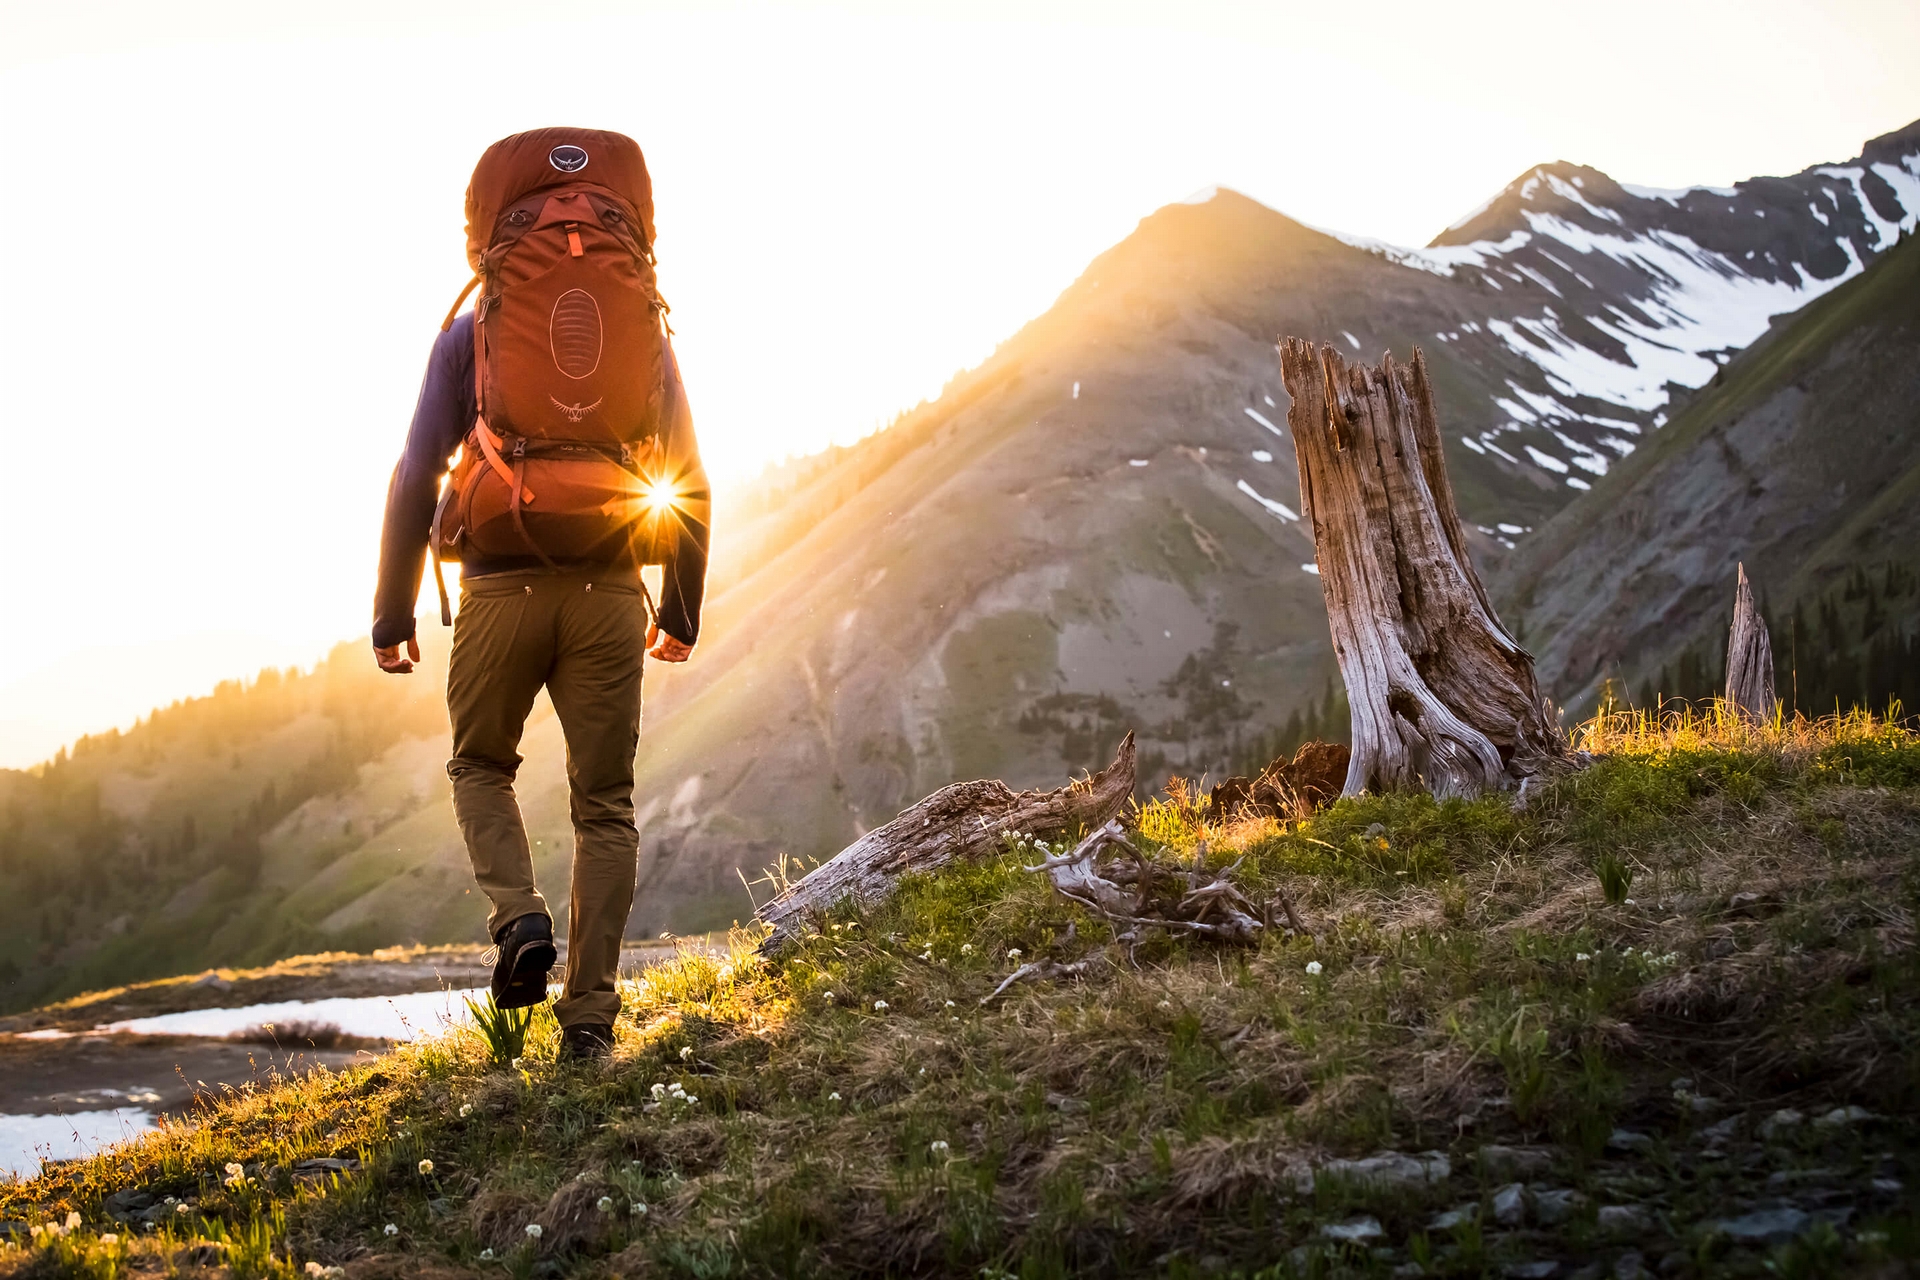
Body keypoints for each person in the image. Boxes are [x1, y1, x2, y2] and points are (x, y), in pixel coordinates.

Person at [370, 129, 708, 1060]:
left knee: (481, 767)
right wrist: (679, 610)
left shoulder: (470, 333)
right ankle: (590, 1027)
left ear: (486, 232)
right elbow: (687, 474)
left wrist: (392, 614)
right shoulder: (642, 326)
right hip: (608, 586)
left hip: (500, 588)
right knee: (605, 807)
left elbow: (413, 475)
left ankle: (519, 924)